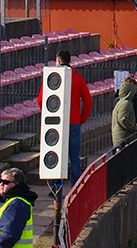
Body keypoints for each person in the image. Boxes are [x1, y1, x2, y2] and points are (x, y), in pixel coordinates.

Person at [35, 50, 93, 188]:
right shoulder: (78, 78)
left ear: (58, 61)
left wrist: (48, 114)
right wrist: (82, 119)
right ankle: (76, 188)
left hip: (55, 122)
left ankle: (55, 186)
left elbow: (40, 99)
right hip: (74, 122)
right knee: (74, 157)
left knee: (55, 153)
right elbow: (88, 101)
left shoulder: (53, 78)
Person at [0, 167, 37, 248]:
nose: (1, 185)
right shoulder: (5, 201)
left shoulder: (17, 205)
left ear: (17, 184)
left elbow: (9, 235)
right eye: (0, 181)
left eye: (5, 182)